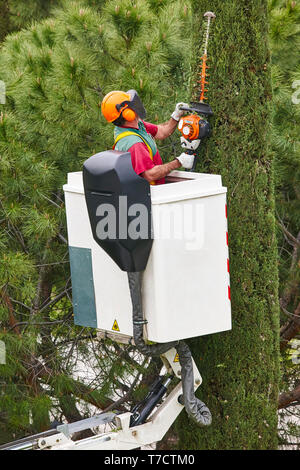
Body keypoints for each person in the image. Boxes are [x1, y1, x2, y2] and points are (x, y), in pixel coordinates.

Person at [101, 89, 194, 185]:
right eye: (132, 105)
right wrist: (178, 162)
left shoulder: (134, 126)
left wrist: (176, 116)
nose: (136, 106)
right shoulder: (134, 143)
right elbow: (150, 174)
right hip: (150, 195)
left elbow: (162, 132)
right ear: (127, 114)